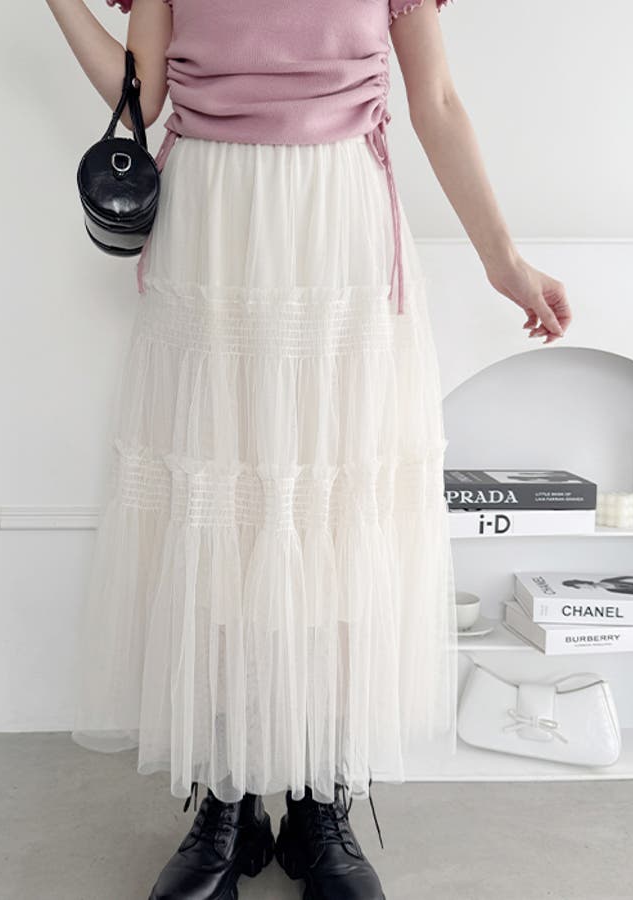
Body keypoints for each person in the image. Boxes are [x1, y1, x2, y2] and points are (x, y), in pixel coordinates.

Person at [46, 1, 572, 897]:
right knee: (220, 511)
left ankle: (321, 795)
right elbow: (141, 97)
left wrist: (504, 261)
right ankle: (225, 796)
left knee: (330, 520)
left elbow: (436, 101)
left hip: (338, 232)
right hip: (213, 229)